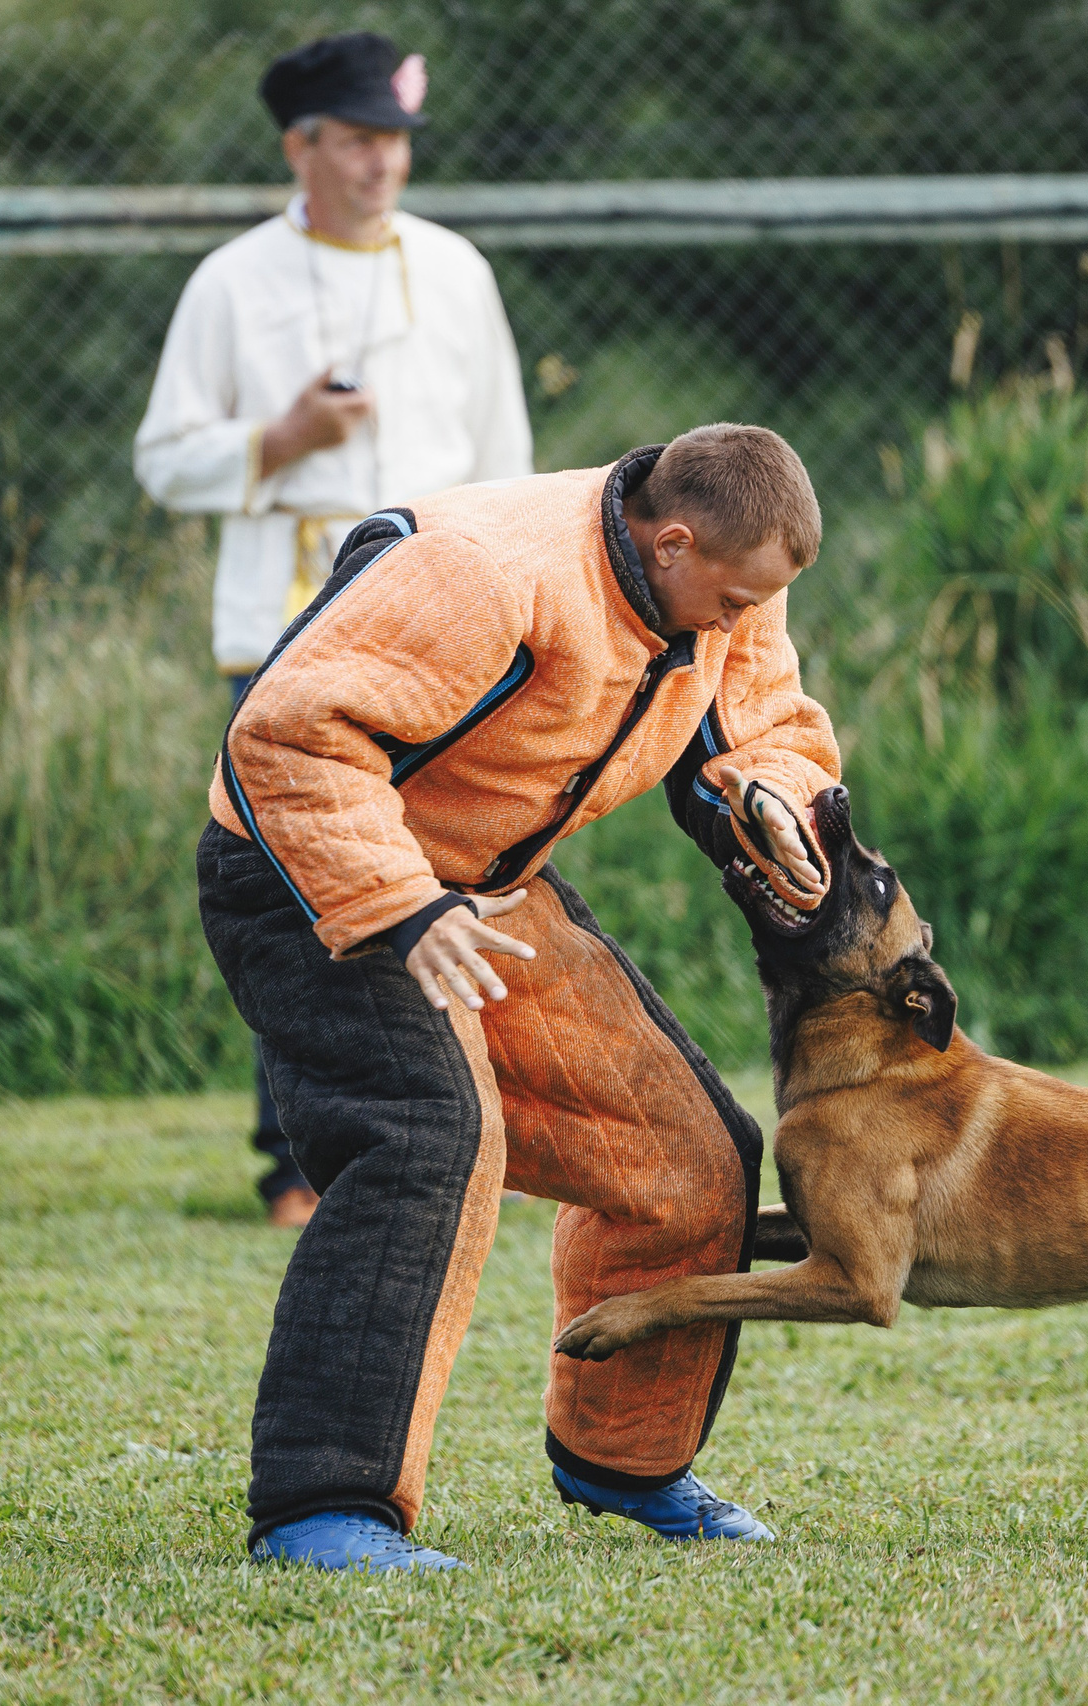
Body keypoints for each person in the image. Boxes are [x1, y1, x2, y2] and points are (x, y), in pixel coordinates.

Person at [199, 425, 840, 1571]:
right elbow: (286, 735)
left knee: (687, 1155)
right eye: (734, 598)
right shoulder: (484, 572)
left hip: (485, 881)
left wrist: (775, 799)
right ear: (674, 537)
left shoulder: (726, 583)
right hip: (308, 872)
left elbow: (758, 725)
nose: (741, 624)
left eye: (762, 603)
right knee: (426, 1134)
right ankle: (322, 1507)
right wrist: (401, 903)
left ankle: (623, 1459)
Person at [136, 31, 532, 1228]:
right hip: (288, 622)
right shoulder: (231, 280)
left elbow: (503, 459)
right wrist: (276, 444)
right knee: (300, 888)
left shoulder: (456, 269)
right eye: (357, 140)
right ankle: (297, 1162)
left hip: (438, 624)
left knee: (446, 871)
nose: (381, 163)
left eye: (394, 140)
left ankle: (468, 1125)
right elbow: (163, 460)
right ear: (300, 145)